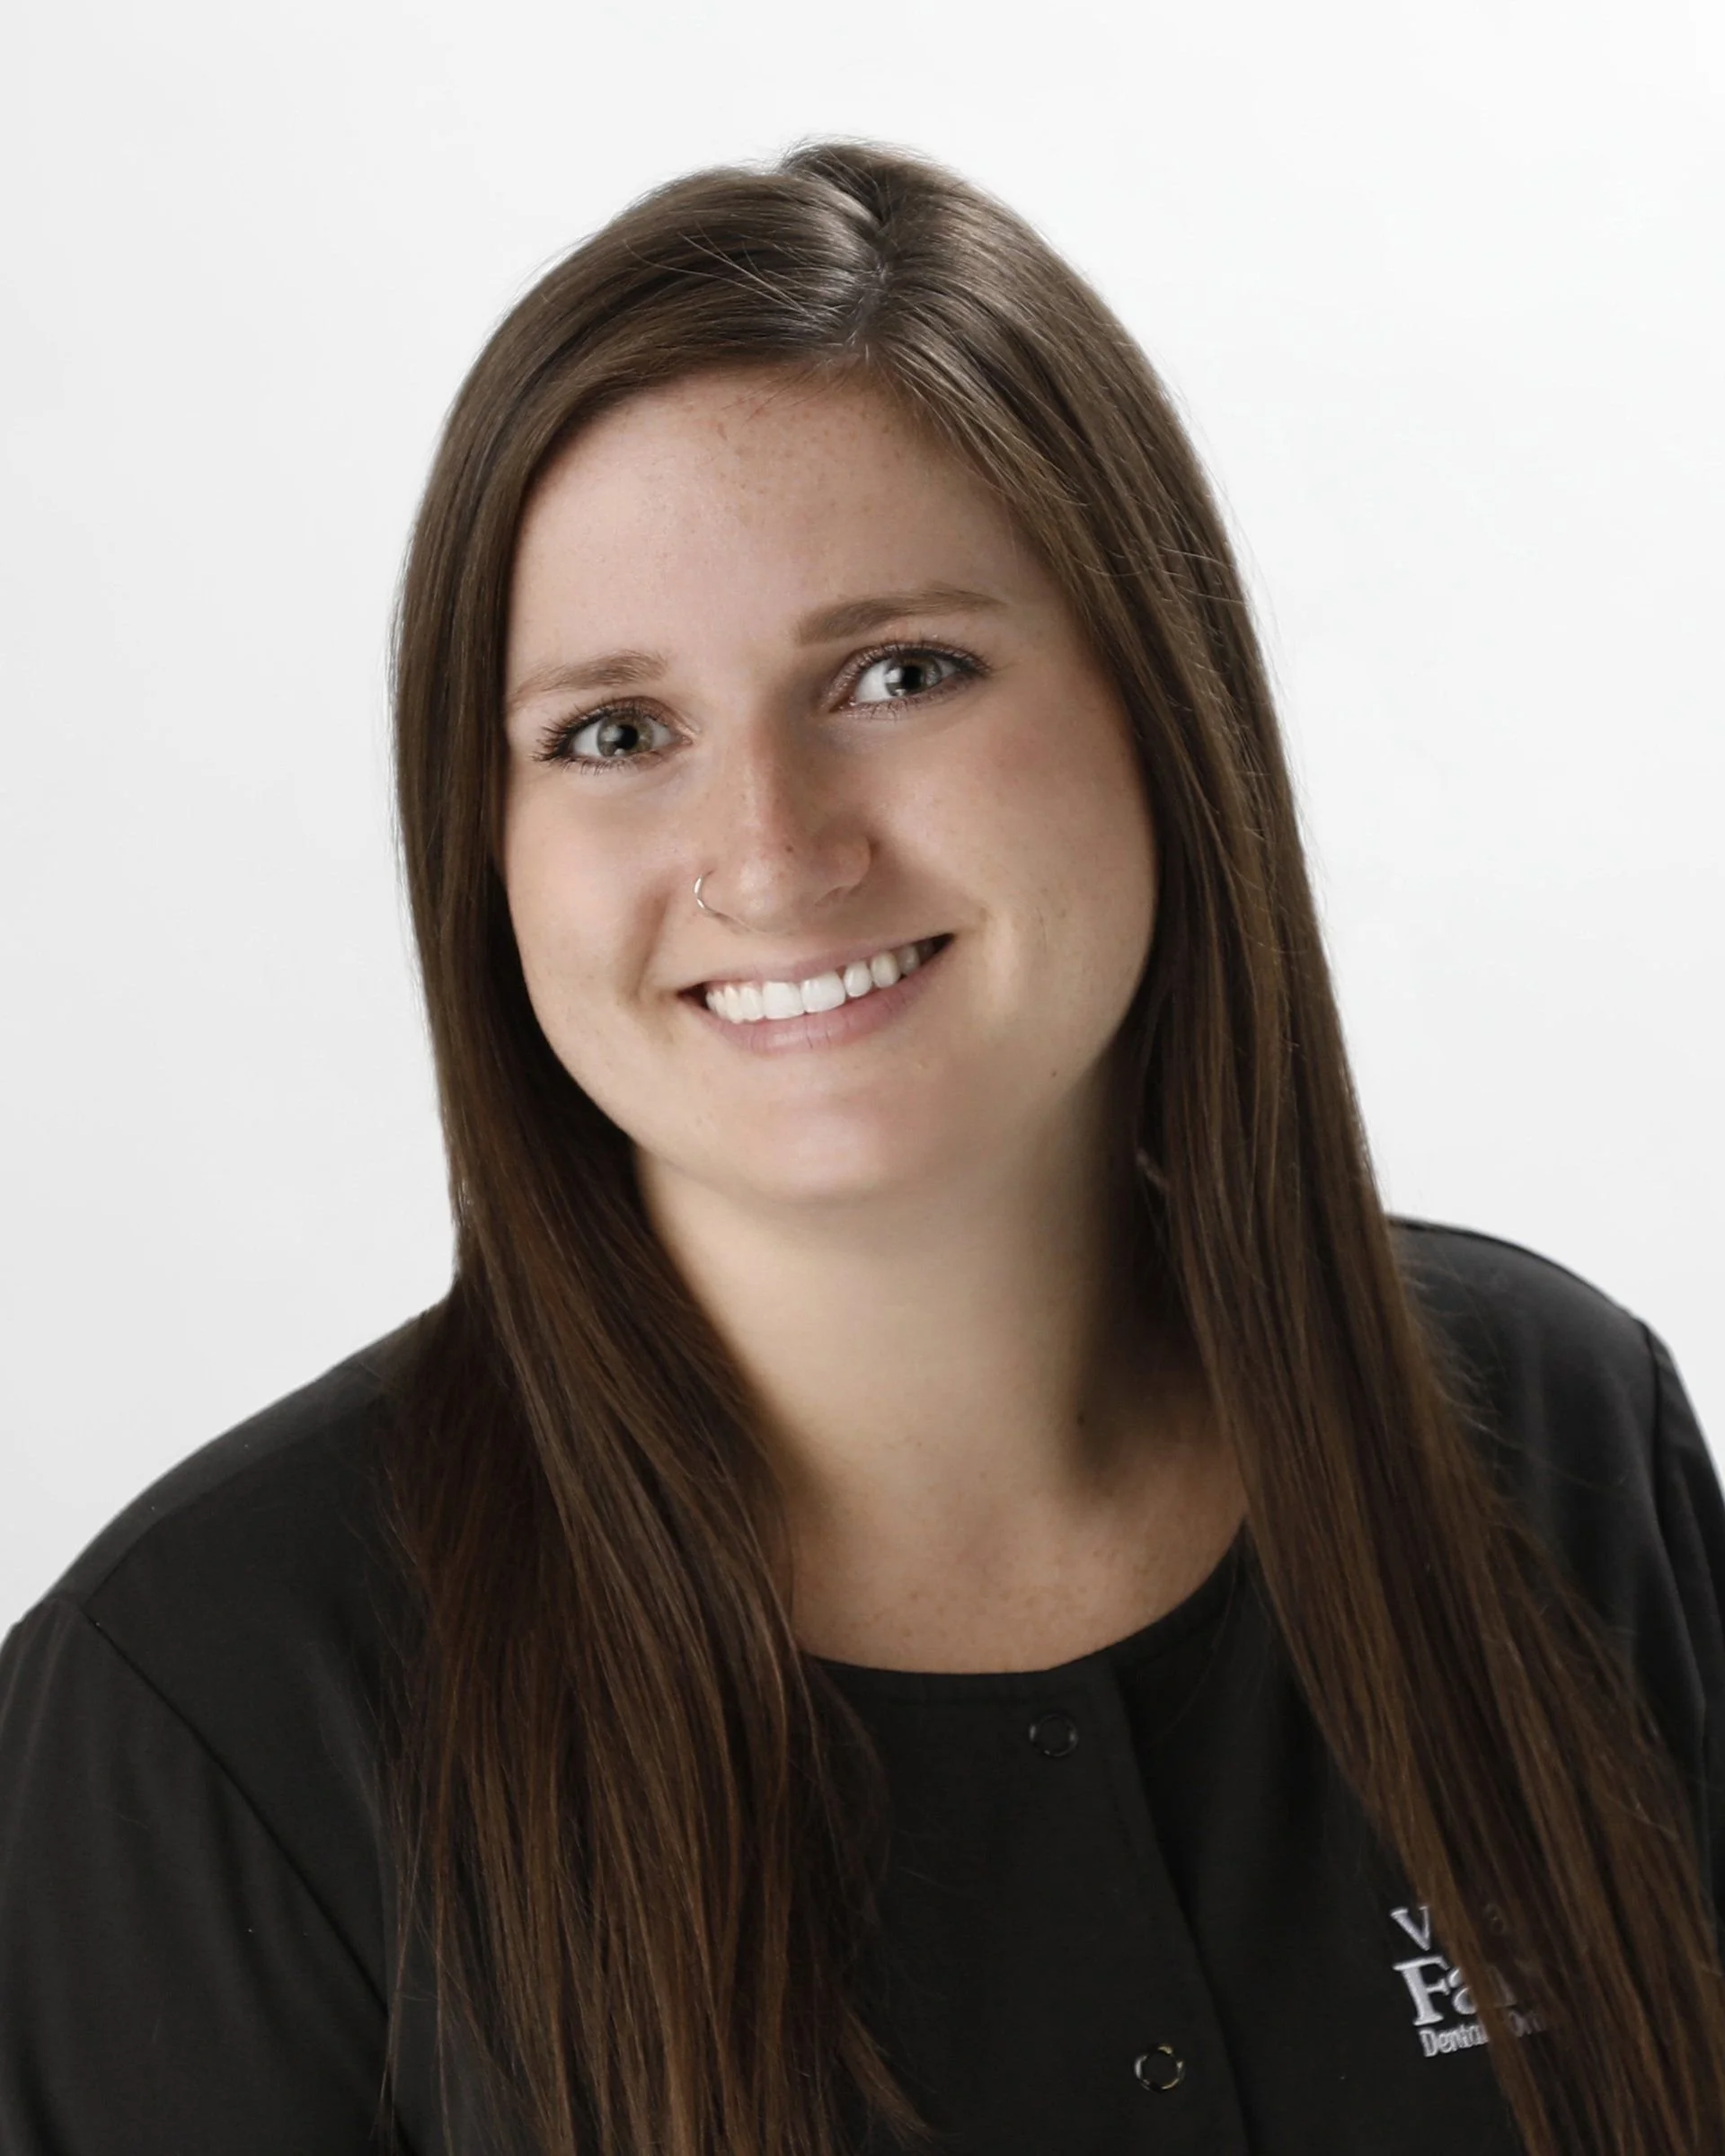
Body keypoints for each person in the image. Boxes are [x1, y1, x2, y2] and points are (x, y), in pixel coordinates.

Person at [0, 140, 1721, 2156]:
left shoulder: (1547, 1432)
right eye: (615, 735)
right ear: (488, 850)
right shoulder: (199, 1719)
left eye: (900, 673)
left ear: (1166, 716)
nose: (772, 851)